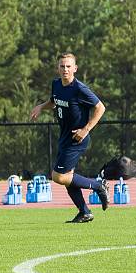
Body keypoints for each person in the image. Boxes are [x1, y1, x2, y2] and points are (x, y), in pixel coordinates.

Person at [30, 52, 109, 223]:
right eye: (62, 66)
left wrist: (86, 129)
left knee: (58, 176)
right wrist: (41, 107)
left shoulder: (80, 89)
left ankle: (97, 185)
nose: (65, 69)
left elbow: (100, 108)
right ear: (58, 68)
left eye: (68, 66)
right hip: (64, 137)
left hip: (77, 139)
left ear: (75, 69)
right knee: (68, 178)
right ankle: (84, 212)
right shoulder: (56, 84)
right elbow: (54, 101)